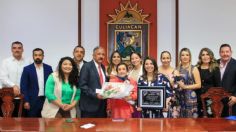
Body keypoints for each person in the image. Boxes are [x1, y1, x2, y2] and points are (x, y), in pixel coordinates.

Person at [0, 41, 31, 117]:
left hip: (23, 97)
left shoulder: (28, 62)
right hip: (7, 97)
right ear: (11, 50)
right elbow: (3, 77)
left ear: (23, 50)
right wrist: (14, 85)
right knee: (6, 123)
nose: (17, 50)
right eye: (14, 48)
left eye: (19, 48)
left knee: (22, 122)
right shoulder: (5, 62)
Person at [20, 48, 53, 117]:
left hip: (46, 100)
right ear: (33, 56)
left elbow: (52, 84)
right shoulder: (27, 69)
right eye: (35, 55)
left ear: (43, 56)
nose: (37, 57)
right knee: (32, 123)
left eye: (40, 55)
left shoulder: (49, 68)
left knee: (46, 123)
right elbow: (23, 86)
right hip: (32, 101)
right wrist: (26, 101)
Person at [79, 46, 107, 118]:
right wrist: (95, 95)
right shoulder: (86, 66)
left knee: (101, 128)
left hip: (102, 105)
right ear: (93, 55)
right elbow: (82, 85)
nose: (101, 56)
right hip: (89, 106)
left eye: (103, 54)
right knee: (88, 128)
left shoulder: (103, 67)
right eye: (99, 54)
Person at [176, 48, 201, 118]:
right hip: (179, 98)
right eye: (183, 55)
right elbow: (175, 84)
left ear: (190, 57)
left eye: (187, 55)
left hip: (190, 98)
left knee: (191, 122)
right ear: (180, 57)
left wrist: (185, 87)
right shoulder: (177, 69)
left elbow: (199, 85)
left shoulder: (194, 68)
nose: (185, 57)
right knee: (180, 123)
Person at [196, 48, 221, 117]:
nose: (205, 56)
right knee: (199, 120)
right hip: (198, 99)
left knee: (210, 121)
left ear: (210, 56)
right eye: (203, 55)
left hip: (210, 100)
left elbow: (218, 86)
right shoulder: (197, 68)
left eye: (207, 54)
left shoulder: (215, 68)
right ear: (200, 57)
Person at [158, 51, 180, 118]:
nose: (166, 60)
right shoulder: (157, 70)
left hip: (172, 100)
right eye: (163, 58)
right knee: (159, 123)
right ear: (160, 59)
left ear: (170, 59)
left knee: (172, 124)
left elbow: (178, 88)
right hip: (159, 99)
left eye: (168, 58)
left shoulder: (175, 71)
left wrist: (171, 82)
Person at [218, 44, 236, 116]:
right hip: (217, 101)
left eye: (227, 51)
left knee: (231, 124)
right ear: (219, 53)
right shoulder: (215, 63)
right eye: (222, 52)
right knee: (217, 124)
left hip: (232, 100)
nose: (225, 54)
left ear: (231, 52)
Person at [73, 45, 87, 118]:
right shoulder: (67, 64)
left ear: (84, 54)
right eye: (77, 51)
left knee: (82, 116)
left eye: (81, 52)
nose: (79, 54)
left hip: (84, 95)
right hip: (71, 94)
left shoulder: (88, 65)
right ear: (73, 53)